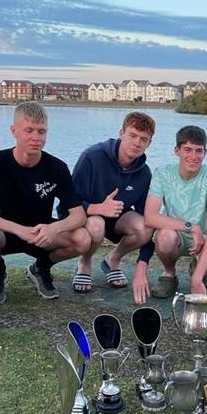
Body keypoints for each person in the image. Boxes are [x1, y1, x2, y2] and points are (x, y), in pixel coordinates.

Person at [0, 102, 89, 302]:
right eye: (29, 130)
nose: (36, 137)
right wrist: (18, 229)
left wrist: (54, 228)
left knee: (82, 238)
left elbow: (78, 215)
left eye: (41, 131)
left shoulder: (57, 167)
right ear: (13, 131)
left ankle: (41, 268)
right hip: (5, 233)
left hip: (41, 232)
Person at [136, 125, 207, 302]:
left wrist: (196, 279)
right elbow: (150, 216)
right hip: (176, 233)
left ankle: (197, 269)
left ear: (205, 152)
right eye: (187, 150)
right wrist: (190, 227)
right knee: (165, 237)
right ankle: (169, 273)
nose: (193, 157)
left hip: (204, 237)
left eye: (198, 151)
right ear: (177, 150)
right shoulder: (163, 173)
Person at [69, 112, 155, 293]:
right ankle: (84, 263)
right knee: (97, 224)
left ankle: (112, 259)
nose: (137, 143)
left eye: (143, 139)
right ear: (121, 133)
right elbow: (68, 203)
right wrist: (97, 208)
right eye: (132, 135)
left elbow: (148, 218)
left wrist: (143, 263)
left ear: (149, 143)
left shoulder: (144, 173)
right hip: (87, 216)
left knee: (145, 227)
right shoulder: (92, 157)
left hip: (117, 217)